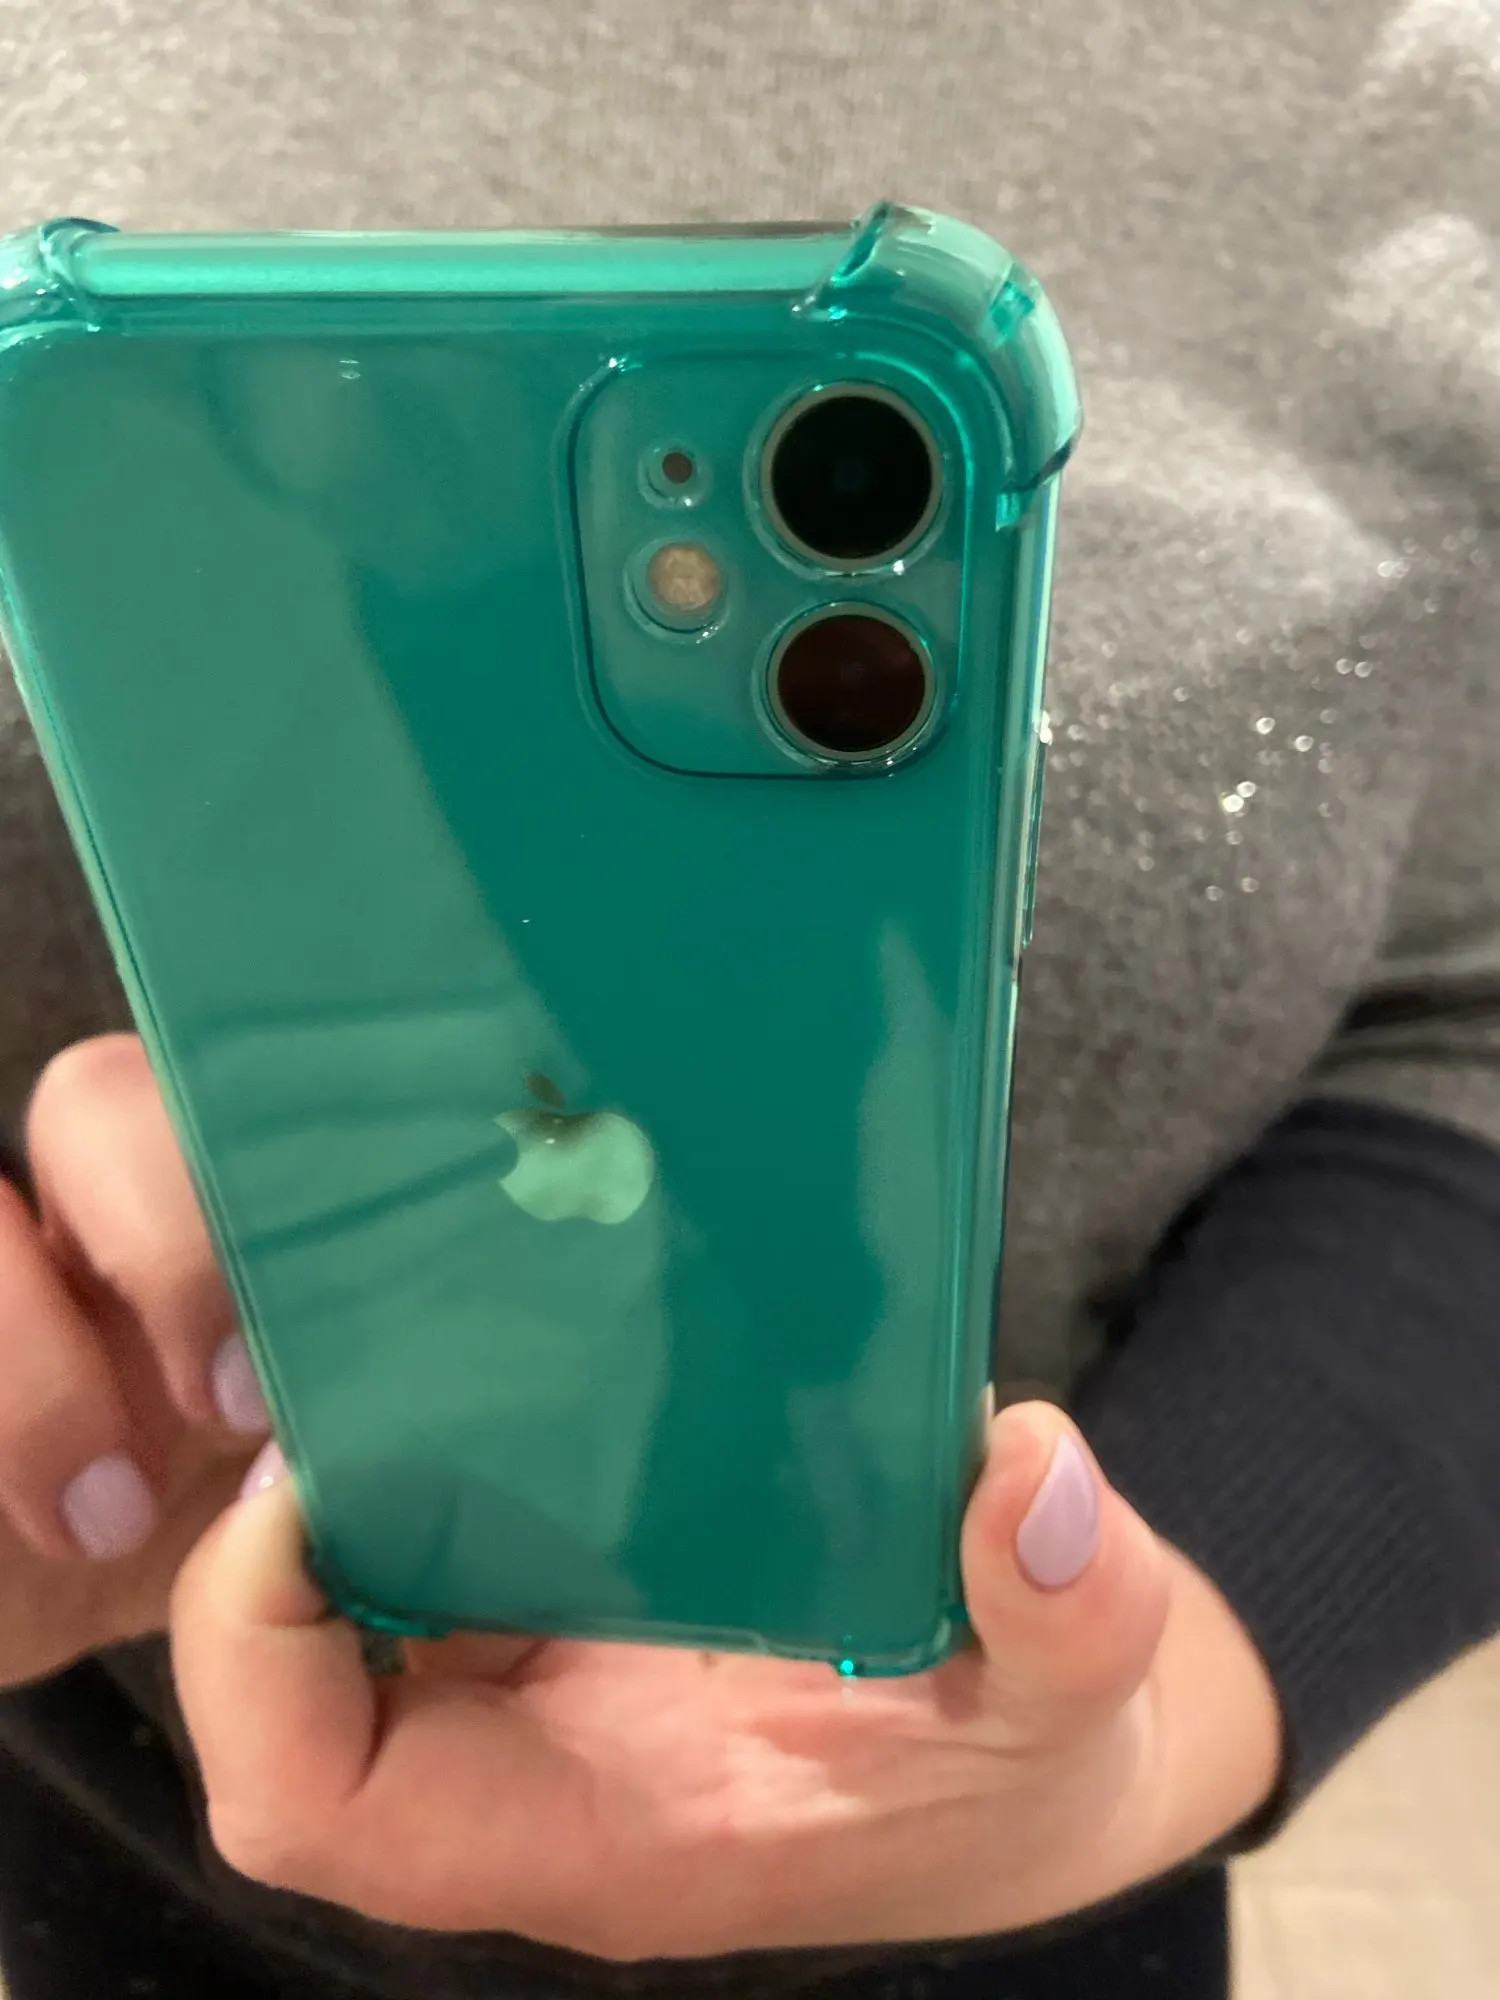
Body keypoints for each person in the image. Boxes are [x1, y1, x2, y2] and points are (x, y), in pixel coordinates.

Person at [2, 1, 1499, 1995]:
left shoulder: (1434, 92)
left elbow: (1475, 1009)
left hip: (1022, 1859)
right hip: (120, 1848)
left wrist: (1173, 1705)